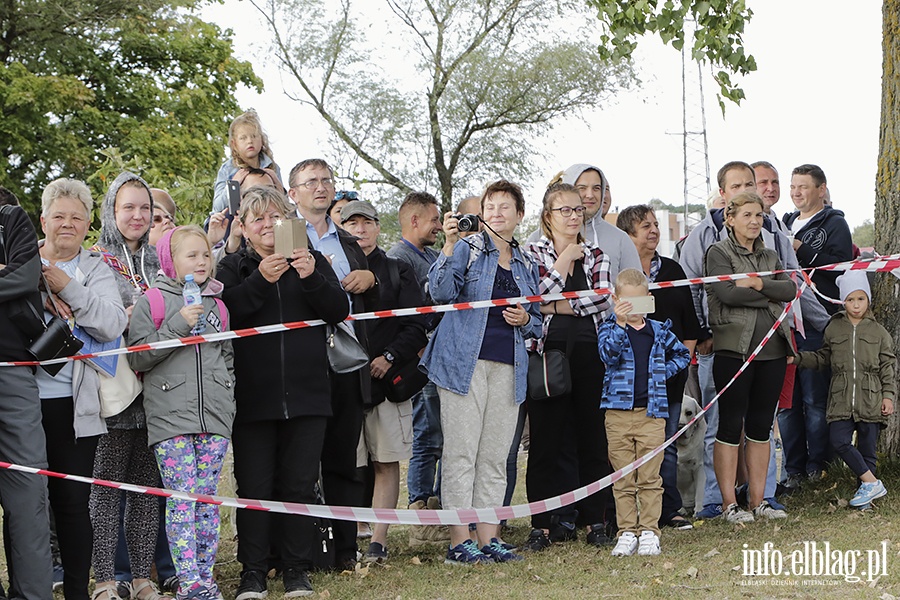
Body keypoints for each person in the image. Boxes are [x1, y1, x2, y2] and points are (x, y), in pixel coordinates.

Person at [218, 186, 349, 599]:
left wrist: (310, 277)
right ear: (243, 227)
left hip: (309, 395)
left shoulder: (309, 261)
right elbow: (225, 314)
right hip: (252, 401)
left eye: (275, 217)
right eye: (257, 219)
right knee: (253, 488)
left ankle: (297, 570)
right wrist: (260, 281)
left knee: (299, 486)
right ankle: (253, 574)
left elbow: (339, 310)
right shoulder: (232, 267)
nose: (267, 226)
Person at [420, 180, 541, 565]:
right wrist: (451, 246)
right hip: (462, 365)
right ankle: (460, 541)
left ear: (520, 216)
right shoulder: (468, 250)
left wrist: (526, 319)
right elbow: (439, 293)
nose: (496, 213)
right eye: (490, 206)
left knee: (494, 455)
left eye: (505, 207)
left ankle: (489, 538)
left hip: (509, 367)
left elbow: (537, 322)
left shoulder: (526, 262)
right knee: (461, 453)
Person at [128, 226, 234, 600]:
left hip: (214, 419)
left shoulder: (218, 305)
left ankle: (206, 579)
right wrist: (177, 325)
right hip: (171, 419)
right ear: (171, 261)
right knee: (182, 498)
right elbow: (137, 355)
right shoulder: (153, 301)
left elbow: (227, 359)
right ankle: (188, 581)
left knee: (206, 500)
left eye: (205, 255)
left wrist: (227, 400)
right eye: (192, 255)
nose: (201, 262)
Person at [36, 179, 127, 600]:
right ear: (43, 220)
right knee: (26, 507)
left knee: (73, 506)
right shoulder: (20, 261)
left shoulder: (94, 268)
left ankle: (76, 591)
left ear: (88, 223)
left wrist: (66, 286)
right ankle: (30, 588)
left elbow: (111, 323)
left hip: (76, 408)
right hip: (21, 406)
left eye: (76, 217)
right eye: (58, 216)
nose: (67, 224)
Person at [287, 158, 377, 570]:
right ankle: (299, 554)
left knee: (344, 461)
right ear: (294, 193)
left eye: (326, 181)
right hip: (301, 366)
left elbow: (371, 301)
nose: (319, 188)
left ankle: (344, 550)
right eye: (310, 182)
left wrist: (369, 280)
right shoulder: (282, 235)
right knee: (300, 466)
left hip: (346, 362)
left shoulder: (349, 242)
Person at [89, 172, 168, 600]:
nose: (138, 216)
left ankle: (142, 578)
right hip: (114, 387)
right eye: (128, 207)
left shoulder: (162, 260)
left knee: (145, 486)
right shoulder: (94, 259)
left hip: (157, 388)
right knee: (107, 484)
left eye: (145, 208)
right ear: (111, 211)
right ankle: (104, 579)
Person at [523, 182, 614, 551]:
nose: (574, 216)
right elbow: (534, 296)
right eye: (565, 210)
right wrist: (562, 263)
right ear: (548, 215)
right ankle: (542, 526)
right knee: (545, 442)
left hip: (590, 353)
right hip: (547, 354)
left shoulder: (597, 253)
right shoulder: (532, 252)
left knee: (593, 439)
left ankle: (597, 522)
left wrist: (556, 304)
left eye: (578, 209)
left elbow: (602, 300)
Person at [340, 200, 427, 564]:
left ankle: (378, 540)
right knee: (345, 464)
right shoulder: (329, 267)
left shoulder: (398, 269)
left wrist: (389, 357)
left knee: (385, 461)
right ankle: (344, 539)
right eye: (352, 223)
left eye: (367, 223)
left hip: (386, 382)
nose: (360, 230)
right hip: (343, 381)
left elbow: (417, 326)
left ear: (378, 227)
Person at [704, 191, 796, 523]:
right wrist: (767, 295)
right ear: (730, 218)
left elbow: (789, 290)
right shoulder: (718, 252)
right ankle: (729, 503)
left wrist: (757, 283)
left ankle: (758, 500)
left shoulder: (770, 255)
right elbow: (726, 293)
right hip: (734, 351)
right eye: (747, 215)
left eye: (759, 215)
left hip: (772, 351)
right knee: (730, 426)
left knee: (761, 426)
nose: (755, 221)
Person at [616, 205, 700, 530]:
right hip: (625, 380)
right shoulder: (618, 273)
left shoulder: (673, 271)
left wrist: (678, 364)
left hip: (668, 375)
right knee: (624, 447)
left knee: (666, 444)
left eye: (655, 225)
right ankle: (621, 514)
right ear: (627, 234)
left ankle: (669, 510)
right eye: (644, 226)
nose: (653, 230)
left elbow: (689, 325)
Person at [598, 269, 690, 556]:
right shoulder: (608, 328)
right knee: (623, 477)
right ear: (616, 300)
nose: (633, 308)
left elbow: (683, 355)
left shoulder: (660, 331)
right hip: (617, 414)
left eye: (638, 302)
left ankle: (649, 530)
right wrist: (620, 322)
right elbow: (607, 355)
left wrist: (662, 373)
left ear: (648, 300)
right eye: (627, 302)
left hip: (653, 414)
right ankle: (626, 531)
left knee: (651, 477)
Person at [792, 272, 894, 508]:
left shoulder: (879, 332)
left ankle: (866, 498)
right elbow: (822, 358)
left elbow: (888, 367)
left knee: (868, 450)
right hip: (840, 398)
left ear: (868, 299)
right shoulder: (834, 328)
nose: (856, 304)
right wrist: (797, 359)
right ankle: (872, 482)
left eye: (860, 298)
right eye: (850, 300)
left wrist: (888, 396)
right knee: (839, 441)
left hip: (871, 398)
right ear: (842, 301)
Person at [780, 164, 854, 488]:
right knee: (787, 403)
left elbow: (839, 266)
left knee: (813, 398)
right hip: (783, 323)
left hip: (815, 322)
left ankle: (818, 466)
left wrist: (801, 249)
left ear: (821, 189)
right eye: (793, 186)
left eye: (803, 187)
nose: (796, 192)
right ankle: (793, 470)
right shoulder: (781, 223)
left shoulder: (835, 223)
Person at [386, 191, 448, 545]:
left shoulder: (434, 256)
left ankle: (438, 508)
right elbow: (405, 317)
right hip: (420, 362)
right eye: (434, 220)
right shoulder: (399, 259)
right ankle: (419, 512)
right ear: (414, 220)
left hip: (442, 358)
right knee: (427, 435)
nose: (439, 226)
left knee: (444, 433)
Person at [0, 196, 54, 599]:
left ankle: (33, 594)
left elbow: (24, 277)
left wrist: (12, 274)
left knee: (28, 491)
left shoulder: (10, 217)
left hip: (14, 371)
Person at [526, 164, 640, 279]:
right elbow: (532, 292)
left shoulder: (620, 239)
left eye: (596, 188)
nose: (590, 195)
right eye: (582, 188)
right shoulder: (537, 241)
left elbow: (637, 289)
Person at [212, 110, 281, 214]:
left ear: (262, 140)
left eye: (254, 136)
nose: (249, 141)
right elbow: (217, 207)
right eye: (243, 138)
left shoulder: (272, 167)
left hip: (267, 214)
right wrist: (233, 185)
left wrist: (275, 181)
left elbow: (283, 202)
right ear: (234, 144)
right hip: (235, 218)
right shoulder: (227, 169)